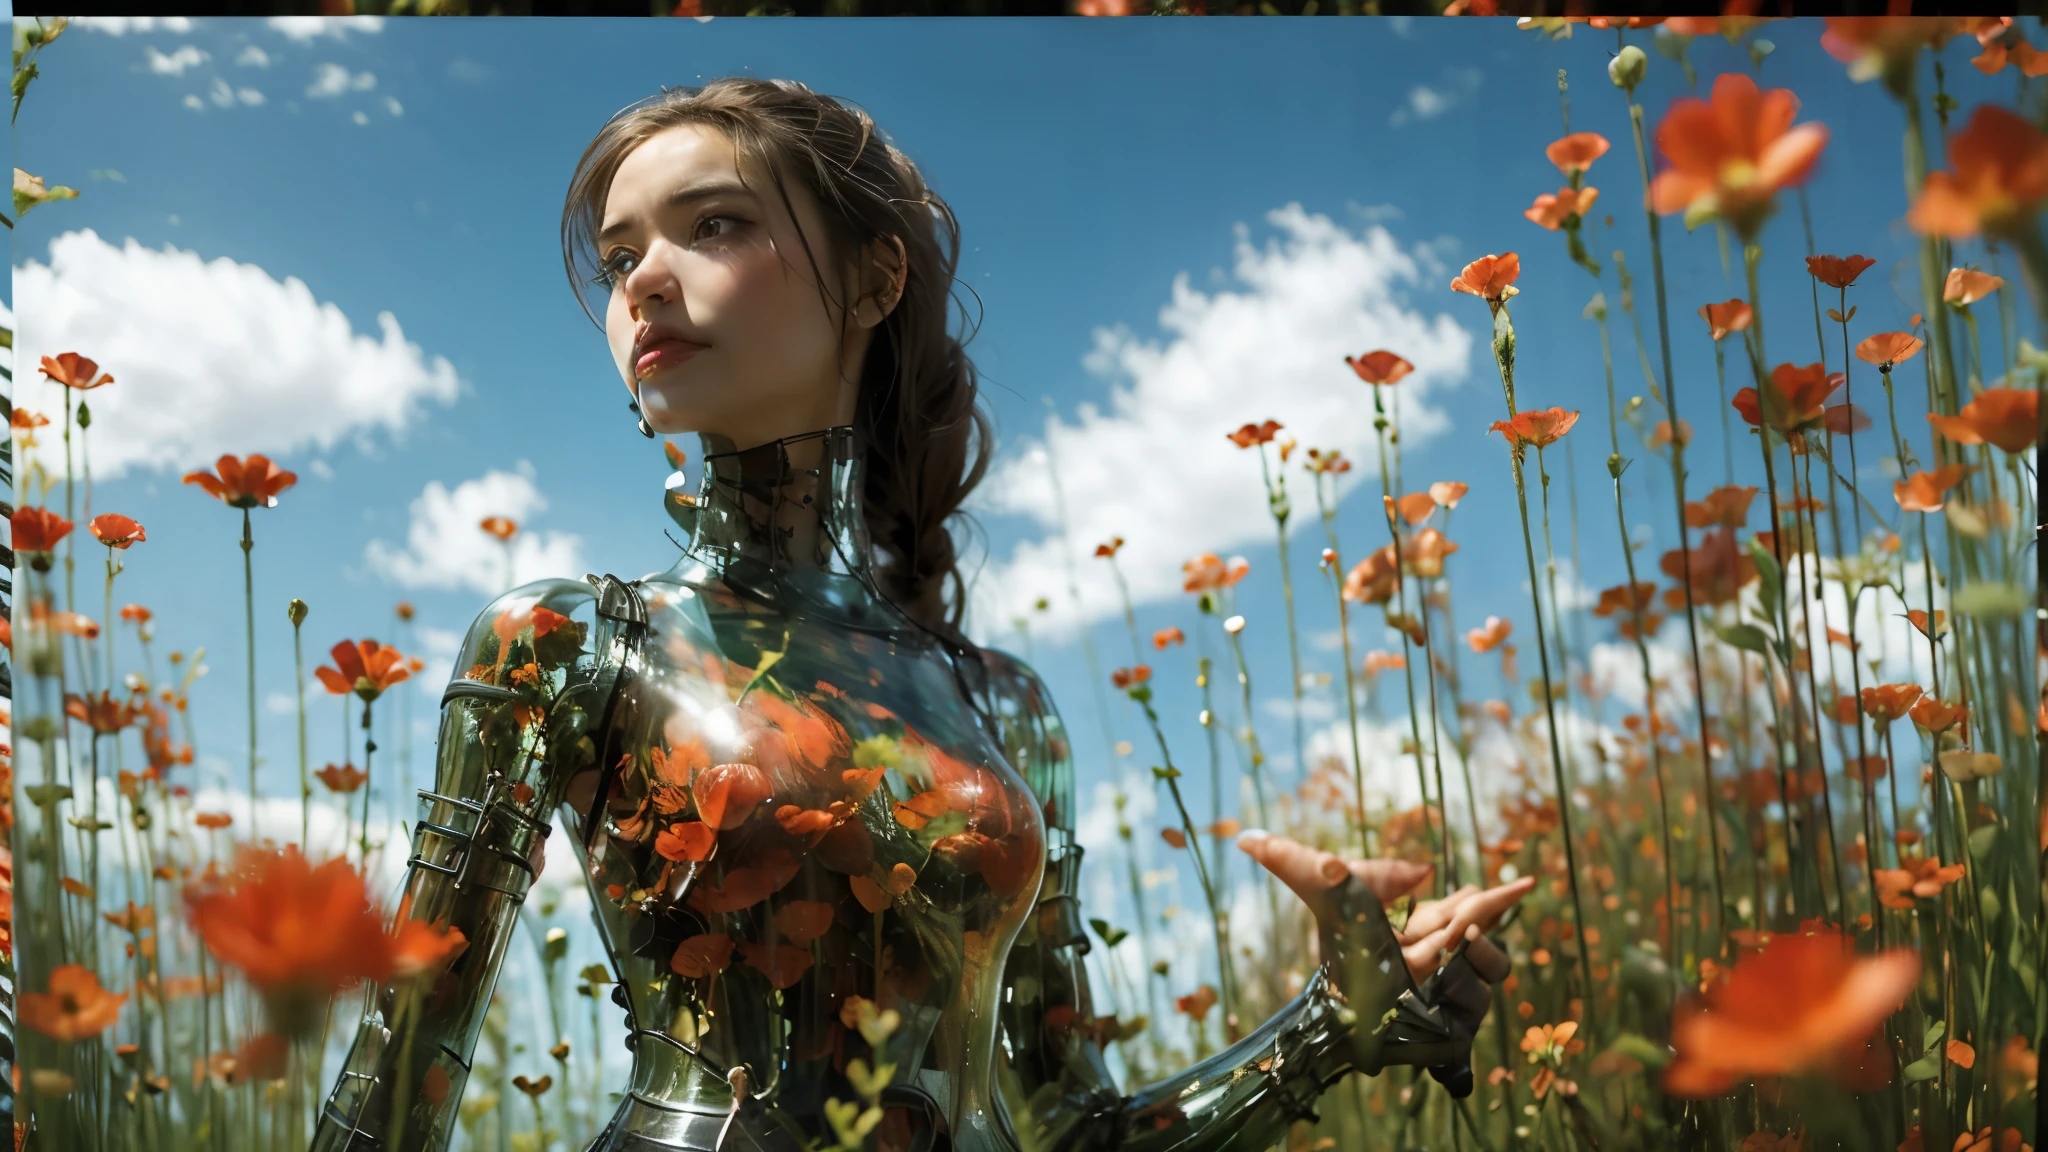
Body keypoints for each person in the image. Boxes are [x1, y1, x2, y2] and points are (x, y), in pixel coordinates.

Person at [310, 77, 1532, 1152]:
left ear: (871, 279)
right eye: (619, 256)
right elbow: (398, 1074)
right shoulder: (569, 642)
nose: (644, 284)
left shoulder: (999, 704)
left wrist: (1328, 1029)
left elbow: (1075, 1133)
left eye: (713, 224)